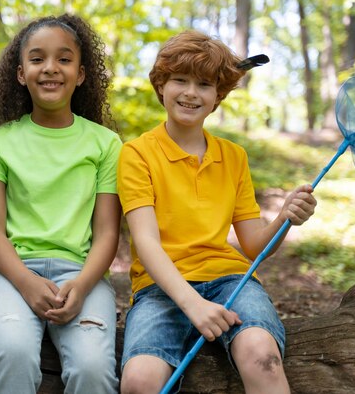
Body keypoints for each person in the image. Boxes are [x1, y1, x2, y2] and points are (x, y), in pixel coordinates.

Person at [117, 30, 317, 394]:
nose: (191, 92)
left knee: (262, 357)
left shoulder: (233, 156)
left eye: (204, 84)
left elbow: (255, 246)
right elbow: (145, 242)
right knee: (138, 382)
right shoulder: (137, 154)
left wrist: (285, 218)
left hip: (231, 281)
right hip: (159, 287)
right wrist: (193, 304)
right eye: (180, 80)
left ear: (217, 97)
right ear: (161, 85)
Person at [0, 13, 122, 394]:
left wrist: (83, 284)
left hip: (82, 277)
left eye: (64, 59)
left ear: (82, 74)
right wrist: (26, 282)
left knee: (92, 368)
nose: (51, 68)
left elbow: (107, 232)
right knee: (14, 351)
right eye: (37, 59)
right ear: (21, 73)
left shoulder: (106, 144)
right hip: (9, 274)